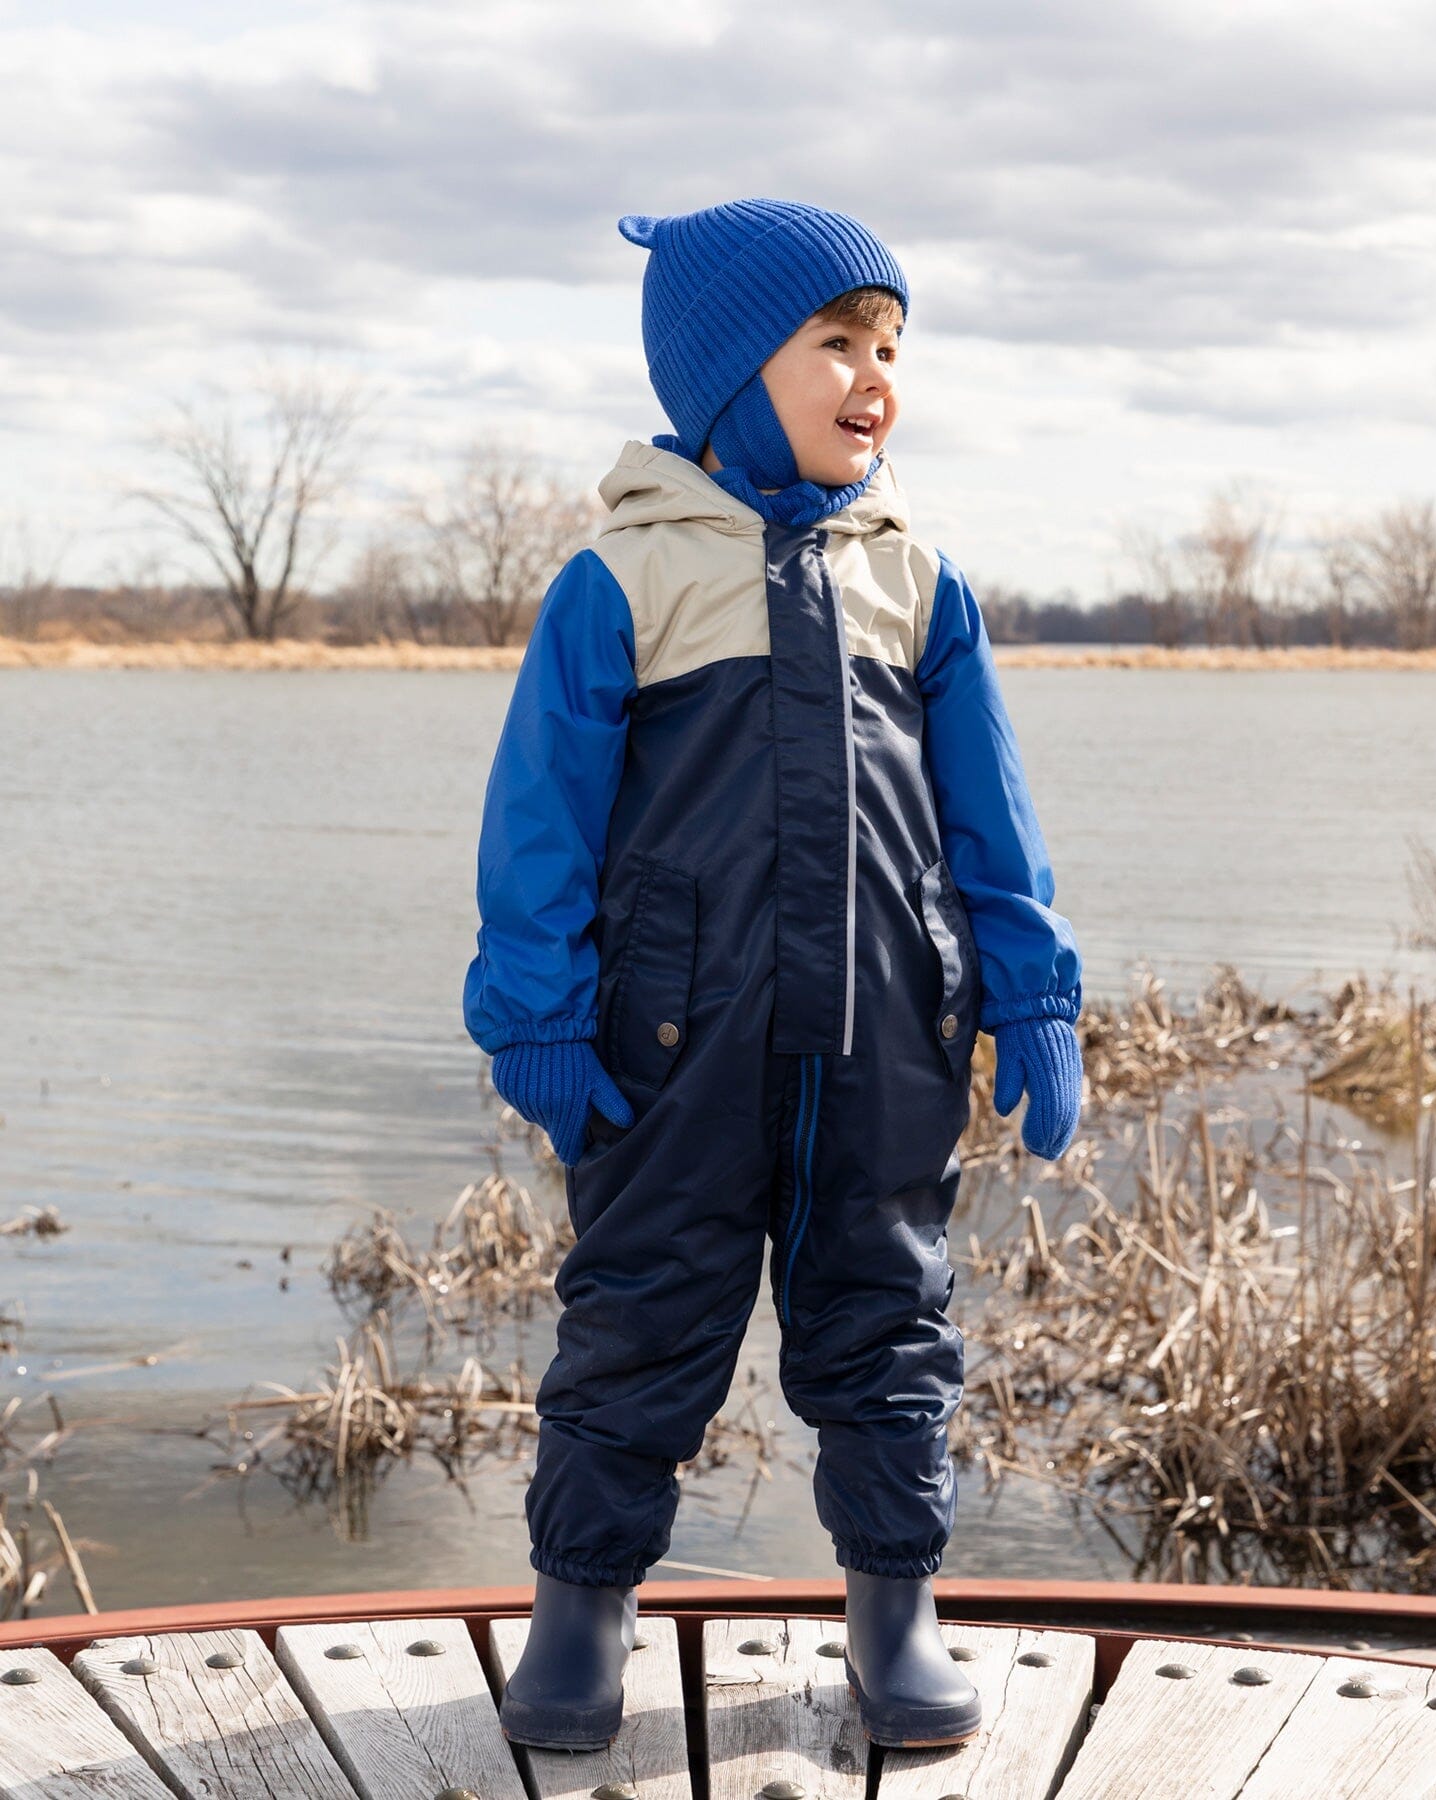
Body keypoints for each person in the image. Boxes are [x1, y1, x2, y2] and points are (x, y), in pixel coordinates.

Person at [462, 197, 1084, 1753]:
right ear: (735, 373)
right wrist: (535, 1007)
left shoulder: (917, 580)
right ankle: (582, 1608)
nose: (875, 377)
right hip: (674, 1041)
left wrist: (1030, 992)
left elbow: (994, 820)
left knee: (889, 1317)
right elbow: (539, 819)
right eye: (837, 344)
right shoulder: (627, 577)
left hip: (884, 1040)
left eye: (891, 348)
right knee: (640, 1316)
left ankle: (894, 1608)